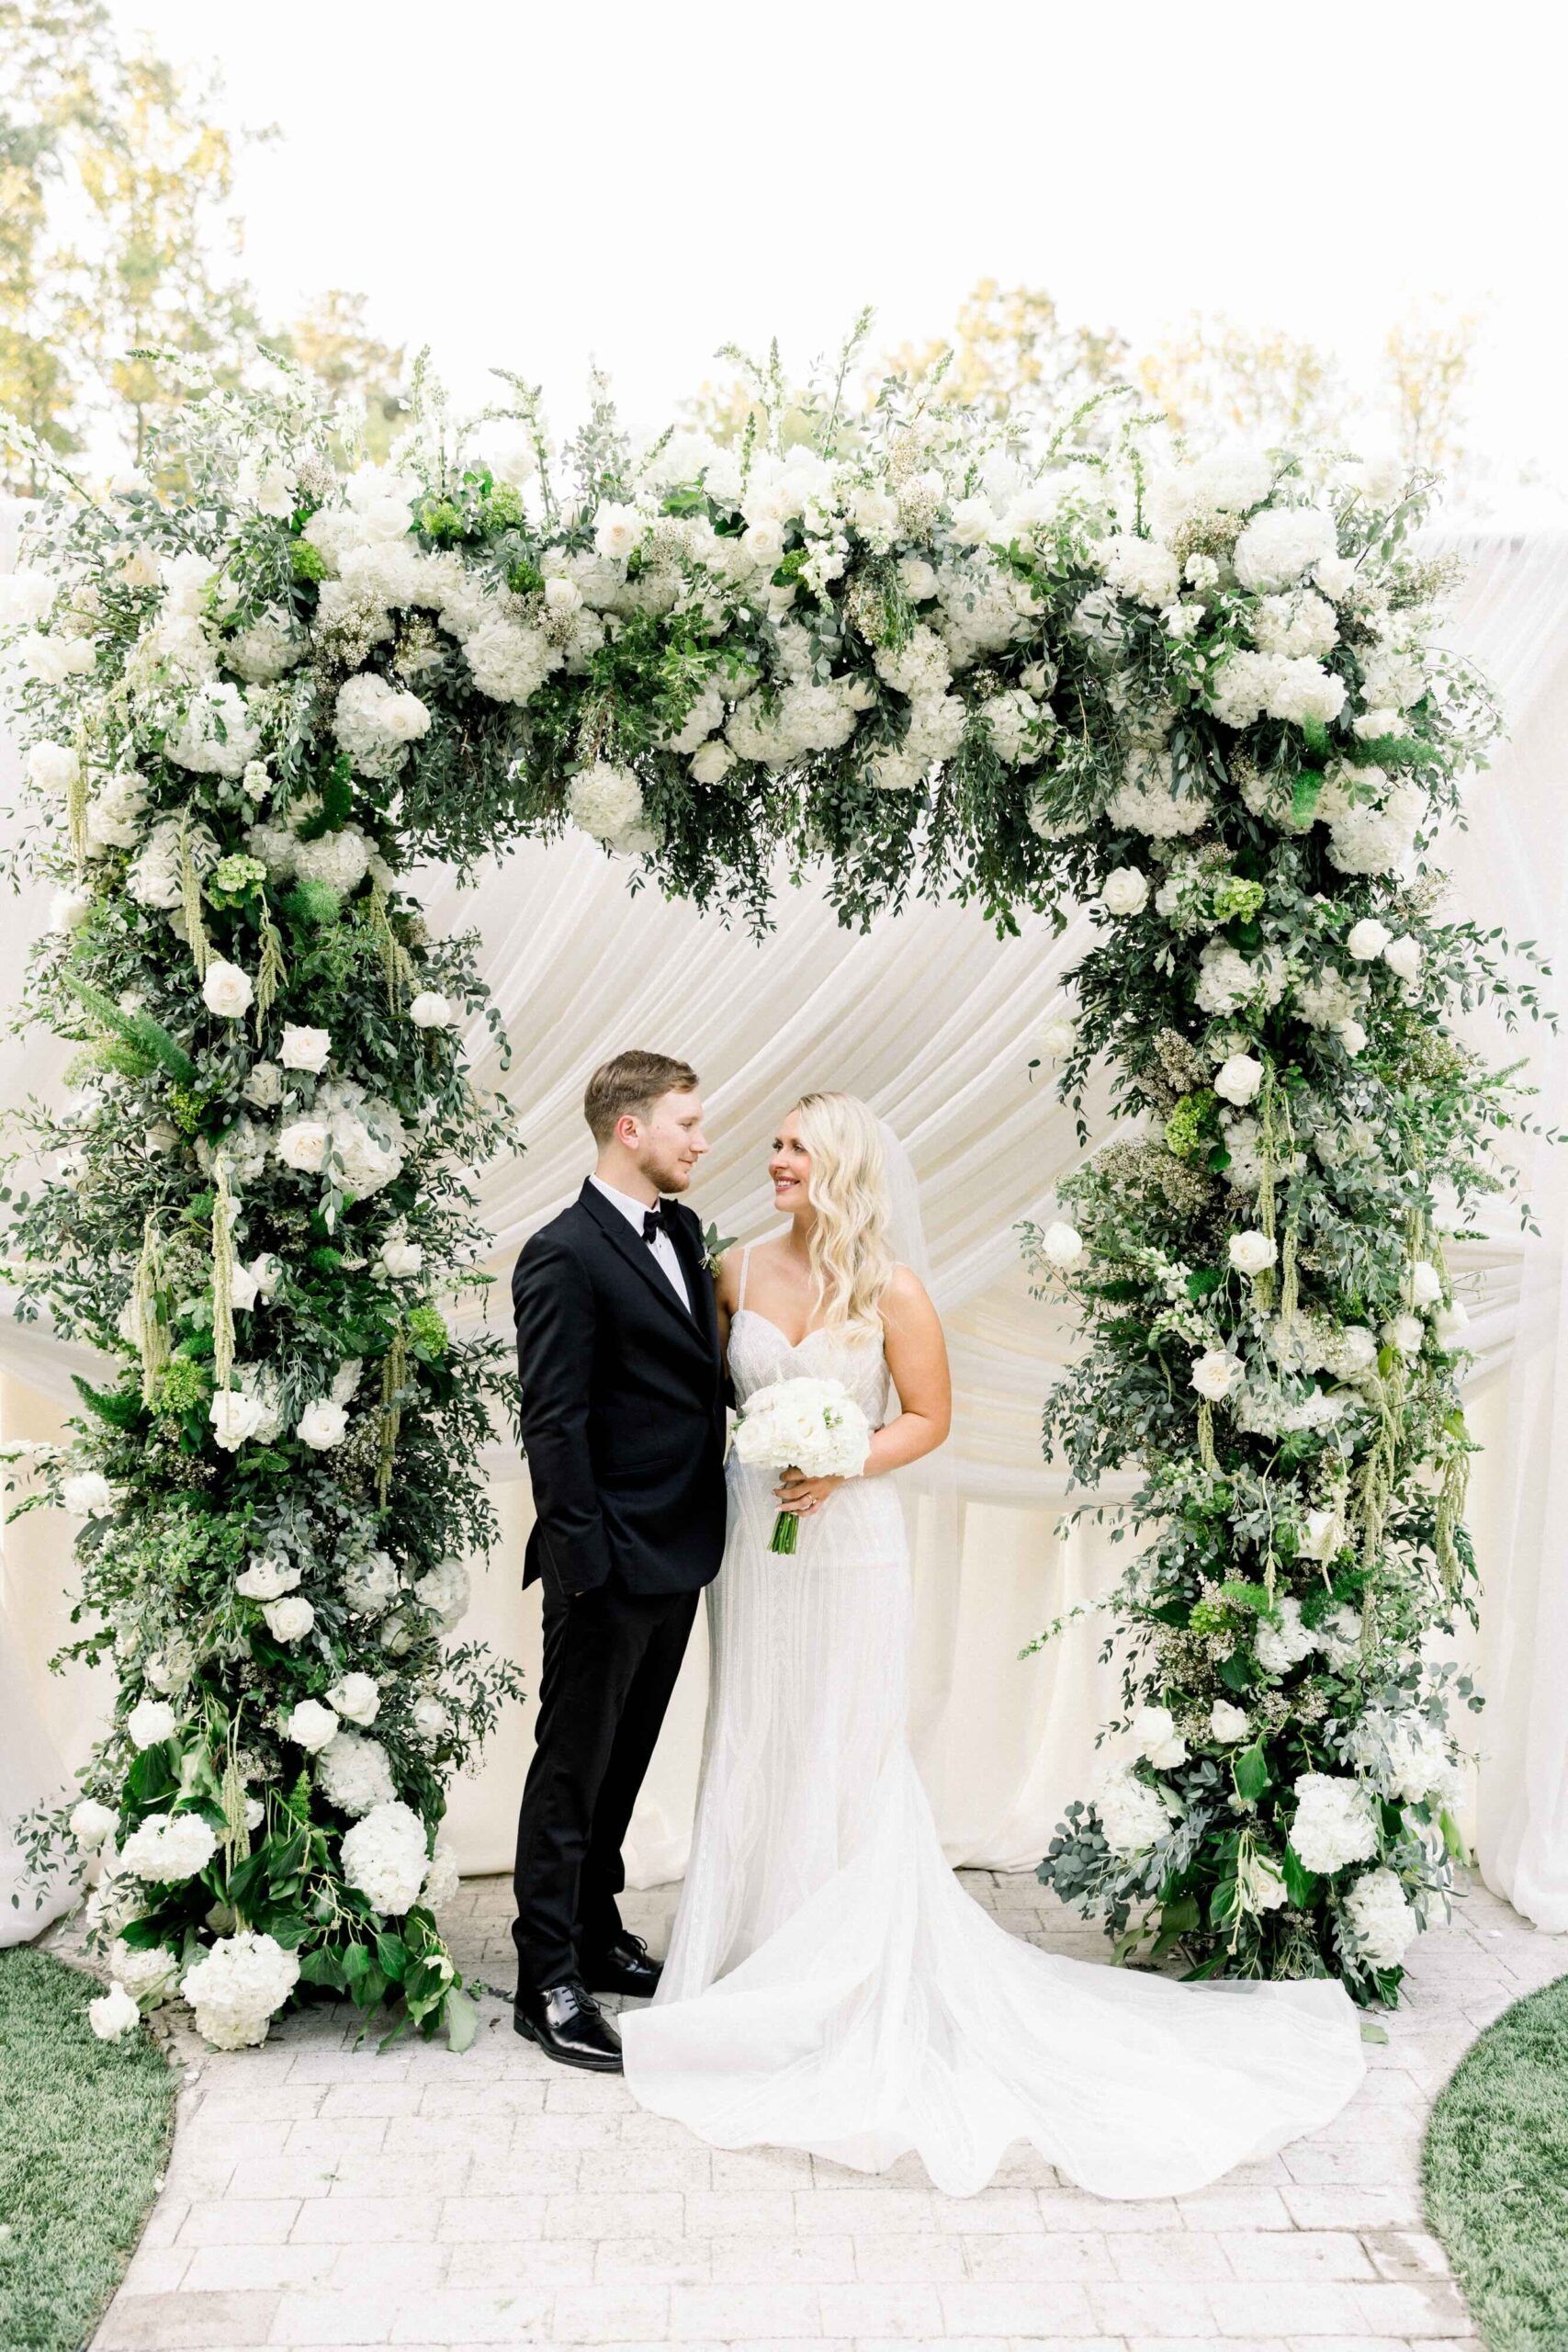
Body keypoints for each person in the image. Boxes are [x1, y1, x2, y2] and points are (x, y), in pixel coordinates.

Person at [619, 1091, 1368, 2199]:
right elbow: (705, 1402)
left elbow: (929, 1416)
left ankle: (842, 1971)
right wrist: (760, 1449)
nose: (774, 1160)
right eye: (774, 1144)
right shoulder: (731, 1270)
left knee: (846, 1741)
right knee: (757, 1725)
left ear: (842, 1166)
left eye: (795, 1148)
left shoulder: (892, 1289)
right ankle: (745, 1951)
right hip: (757, 1546)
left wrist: (845, 1457)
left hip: (853, 1543)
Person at [510, 1050, 727, 2072]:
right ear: (629, 1129)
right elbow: (552, 1424)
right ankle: (545, 1980)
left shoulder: (681, 1230)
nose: (701, 1140)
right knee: (572, 1769)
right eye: (687, 1122)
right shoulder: (561, 1253)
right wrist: (584, 1565)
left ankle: (595, 1933)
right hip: (603, 1562)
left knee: (625, 1762)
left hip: (680, 1550)